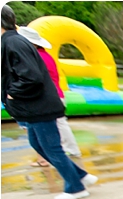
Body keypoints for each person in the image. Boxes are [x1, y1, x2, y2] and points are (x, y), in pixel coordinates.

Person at [1, 5, 98, 199]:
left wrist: (12, 93)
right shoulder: (11, 41)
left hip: (38, 106)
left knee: (51, 147)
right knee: (37, 143)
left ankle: (75, 188)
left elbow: (31, 76)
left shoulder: (14, 42)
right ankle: (80, 175)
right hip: (35, 107)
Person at [18, 26, 82, 168]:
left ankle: (68, 152)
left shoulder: (38, 58)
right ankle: (66, 152)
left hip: (50, 98)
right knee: (57, 125)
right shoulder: (43, 56)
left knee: (56, 126)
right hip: (54, 96)